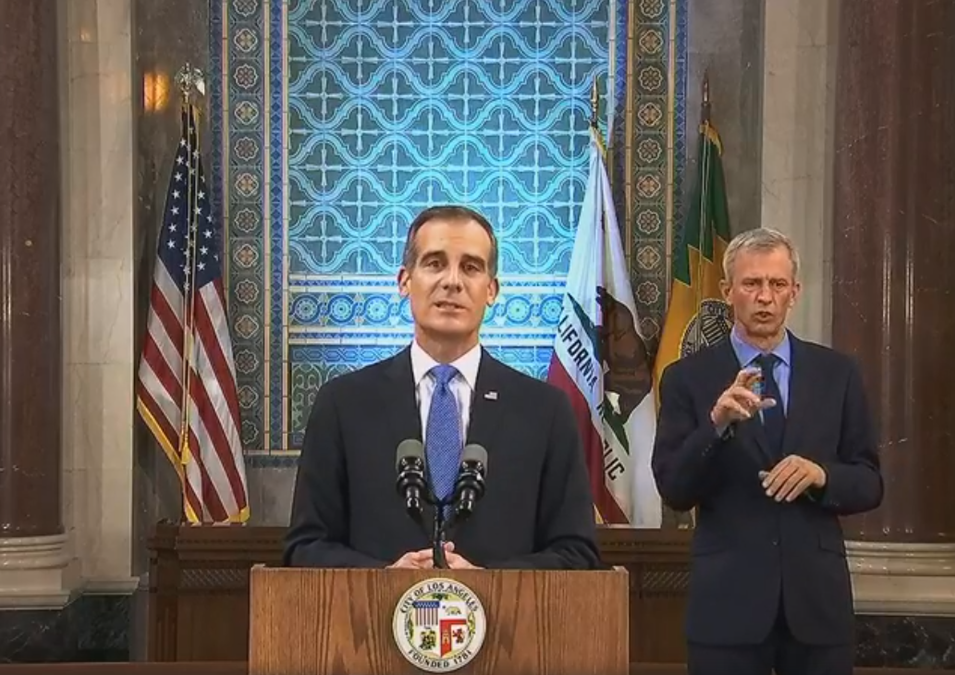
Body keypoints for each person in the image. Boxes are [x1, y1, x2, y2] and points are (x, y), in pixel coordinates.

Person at [284, 205, 600, 570]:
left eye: (471, 267)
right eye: (435, 264)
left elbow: (577, 553)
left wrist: (487, 581)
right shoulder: (344, 404)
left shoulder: (544, 411)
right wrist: (383, 579)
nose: (452, 281)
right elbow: (305, 547)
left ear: (492, 290)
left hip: (504, 610)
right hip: (373, 609)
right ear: (404, 281)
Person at [651, 227, 883, 675]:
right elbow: (674, 488)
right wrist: (716, 425)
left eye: (777, 284)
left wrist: (822, 476)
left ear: (795, 292)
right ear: (727, 291)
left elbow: (870, 481)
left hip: (817, 608)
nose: (764, 297)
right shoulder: (687, 377)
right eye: (751, 284)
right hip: (727, 608)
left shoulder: (837, 374)